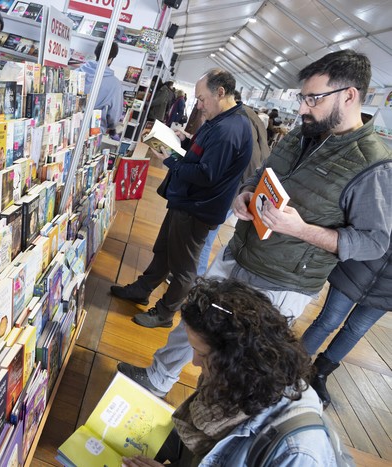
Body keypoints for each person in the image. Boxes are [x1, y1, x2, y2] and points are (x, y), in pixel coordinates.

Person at [118, 50, 392, 398]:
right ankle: (157, 380)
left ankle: (205, 417)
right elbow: (263, 174)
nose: (305, 108)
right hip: (240, 251)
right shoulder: (300, 134)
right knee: (194, 318)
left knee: (240, 359)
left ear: (349, 95)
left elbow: (373, 242)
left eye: (314, 98)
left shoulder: (373, 165)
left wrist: (300, 229)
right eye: (302, 97)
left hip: (282, 281)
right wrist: (245, 193)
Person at [122, 279, 338, 467]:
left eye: (202, 354)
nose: (195, 363)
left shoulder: (298, 453)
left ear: (236, 358)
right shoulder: (231, 378)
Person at [111, 68, 253, 330]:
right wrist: (185, 143)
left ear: (221, 93)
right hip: (186, 201)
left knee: (184, 267)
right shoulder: (221, 120)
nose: (198, 105)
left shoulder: (230, 129)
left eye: (201, 99)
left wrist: (171, 160)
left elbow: (207, 174)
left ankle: (165, 313)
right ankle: (142, 289)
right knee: (164, 251)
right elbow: (204, 156)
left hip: (198, 208)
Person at [301, 231, 392, 408]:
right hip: (357, 267)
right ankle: (294, 366)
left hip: (387, 289)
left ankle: (319, 374)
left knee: (356, 330)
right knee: (328, 321)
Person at [195, 90, 270, 276]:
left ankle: (195, 279)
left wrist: (245, 189)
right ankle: (193, 277)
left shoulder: (239, 121)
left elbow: (252, 163)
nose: (202, 106)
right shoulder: (249, 116)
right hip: (237, 188)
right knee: (205, 236)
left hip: (233, 190)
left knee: (205, 238)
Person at [78, 41, 124, 136]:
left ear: (96, 53)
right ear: (111, 59)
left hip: (68, 126)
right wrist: (111, 127)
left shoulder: (77, 72)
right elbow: (114, 116)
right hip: (92, 130)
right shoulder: (115, 84)